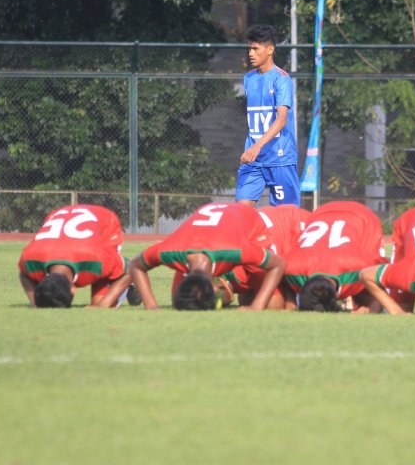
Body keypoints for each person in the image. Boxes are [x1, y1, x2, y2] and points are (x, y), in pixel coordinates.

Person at [128, 202, 285, 311]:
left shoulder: (234, 250)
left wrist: (257, 306)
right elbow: (135, 265)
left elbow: (278, 264)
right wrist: (151, 306)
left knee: (272, 305)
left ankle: (231, 288)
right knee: (183, 301)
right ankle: (229, 290)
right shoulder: (170, 251)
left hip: (249, 220)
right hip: (210, 223)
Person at [18, 204, 138, 308]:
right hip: (64, 218)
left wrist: (104, 305)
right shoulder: (30, 259)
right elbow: (24, 274)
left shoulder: (96, 260)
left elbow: (132, 268)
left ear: (73, 289)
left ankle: (129, 282)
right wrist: (35, 302)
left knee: (99, 302)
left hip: (104, 222)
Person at [282, 201, 388, 312]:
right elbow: (280, 273)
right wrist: (291, 303)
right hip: (320, 213)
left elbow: (382, 269)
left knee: (366, 289)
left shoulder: (357, 266)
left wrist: (370, 308)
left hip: (362, 216)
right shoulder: (291, 268)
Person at [237, 24, 300, 207]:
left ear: (270, 49)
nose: (251, 53)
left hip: (279, 159)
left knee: (285, 217)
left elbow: (282, 119)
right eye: (249, 48)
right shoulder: (249, 78)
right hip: (253, 159)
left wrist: (257, 146)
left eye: (256, 48)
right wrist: (252, 149)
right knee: (241, 212)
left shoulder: (282, 79)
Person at [218, 204, 310, 309]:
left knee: (269, 303)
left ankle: (293, 300)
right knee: (247, 299)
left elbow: (274, 305)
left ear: (221, 286)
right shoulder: (221, 261)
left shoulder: (248, 265)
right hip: (280, 225)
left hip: (300, 226)